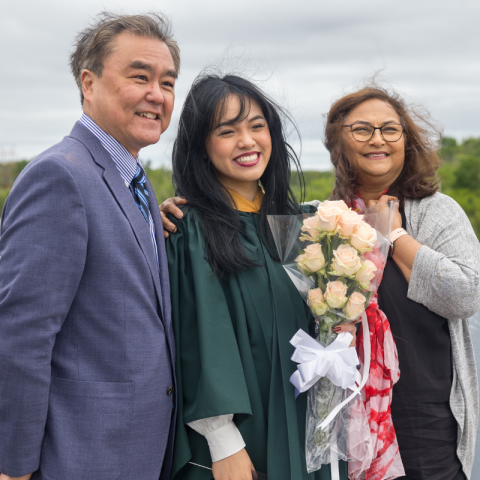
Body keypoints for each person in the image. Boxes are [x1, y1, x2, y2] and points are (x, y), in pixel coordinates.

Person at [0, 13, 180, 480]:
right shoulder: (59, 176)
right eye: (139, 77)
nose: (156, 95)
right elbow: (21, 336)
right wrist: (13, 467)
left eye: (167, 82)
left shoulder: (135, 182)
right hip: (79, 457)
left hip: (137, 452)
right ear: (89, 82)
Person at [164, 73, 356, 480]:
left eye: (256, 126)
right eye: (227, 131)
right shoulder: (191, 229)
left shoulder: (302, 226)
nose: (247, 141)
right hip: (238, 440)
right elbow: (200, 336)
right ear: (201, 147)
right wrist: (223, 441)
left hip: (307, 422)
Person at [323, 86, 480, 480]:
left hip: (428, 432)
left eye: (390, 129)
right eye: (362, 129)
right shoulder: (325, 221)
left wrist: (397, 238)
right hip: (348, 430)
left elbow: (464, 295)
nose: (378, 138)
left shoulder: (437, 213)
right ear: (337, 142)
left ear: (406, 141)